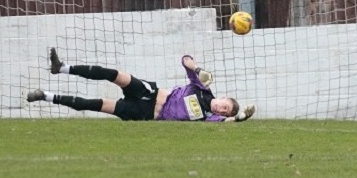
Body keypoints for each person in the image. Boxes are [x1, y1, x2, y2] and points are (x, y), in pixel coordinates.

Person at [27, 48, 256, 123]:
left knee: (96, 105)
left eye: (224, 111)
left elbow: (227, 123)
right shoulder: (203, 87)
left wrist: (240, 117)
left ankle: (45, 96)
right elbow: (185, 59)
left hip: (144, 113)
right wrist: (197, 69)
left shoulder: (209, 117)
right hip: (151, 92)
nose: (221, 109)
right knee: (113, 74)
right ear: (224, 97)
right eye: (225, 106)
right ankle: (63, 68)